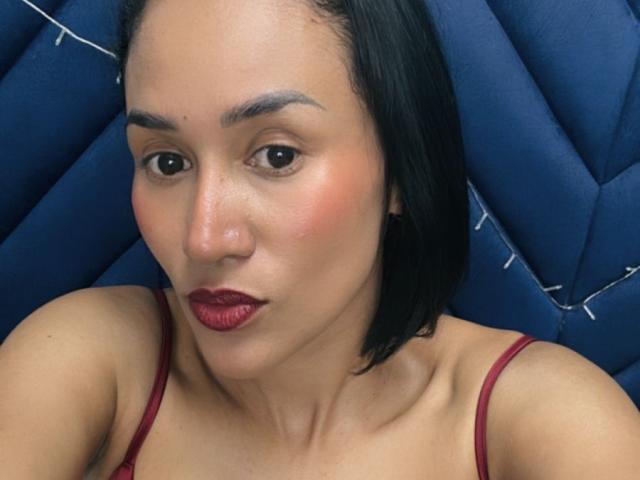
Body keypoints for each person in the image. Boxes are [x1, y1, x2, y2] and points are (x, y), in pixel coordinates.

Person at [1, 0, 639, 478]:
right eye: (167, 162)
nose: (204, 239)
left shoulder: (545, 423)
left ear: (400, 170)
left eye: (276, 155)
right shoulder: (95, 359)